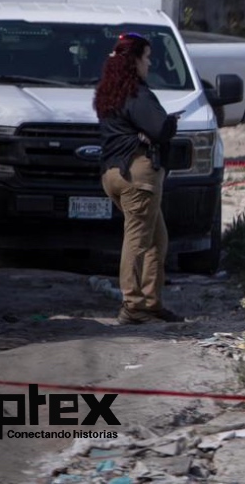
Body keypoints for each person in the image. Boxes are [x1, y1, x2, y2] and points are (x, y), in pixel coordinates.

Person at [93, 33, 184, 324]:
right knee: (137, 240)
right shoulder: (137, 94)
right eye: (146, 57)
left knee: (157, 238)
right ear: (133, 61)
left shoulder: (110, 93)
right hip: (138, 176)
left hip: (113, 174)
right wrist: (169, 122)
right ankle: (132, 305)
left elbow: (136, 129)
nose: (149, 63)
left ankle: (151, 303)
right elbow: (160, 128)